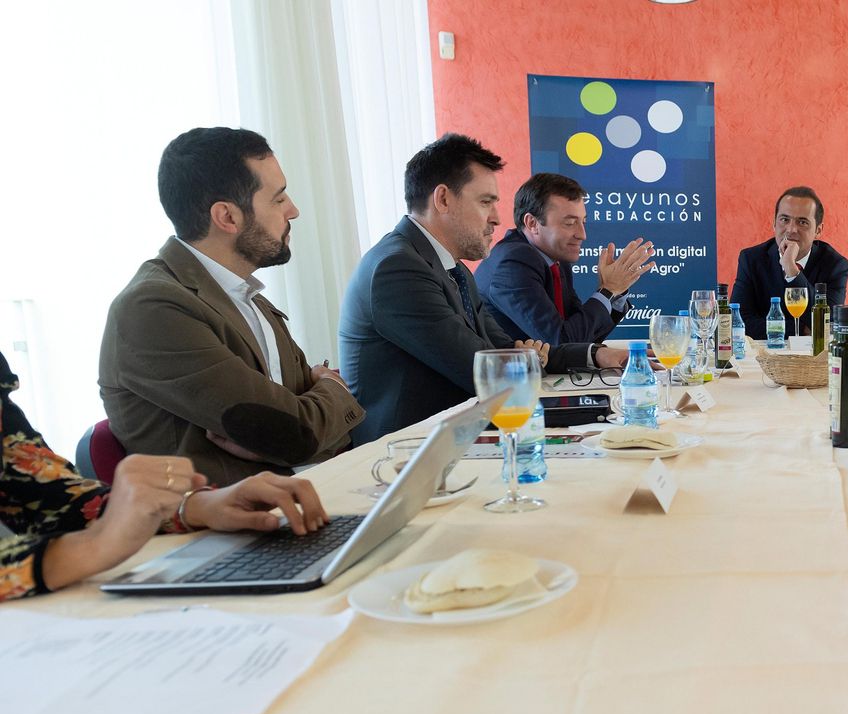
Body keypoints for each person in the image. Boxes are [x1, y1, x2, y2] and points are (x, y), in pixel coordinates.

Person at [98, 127, 365, 486]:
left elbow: (316, 434)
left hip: (306, 495)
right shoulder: (153, 308)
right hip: (236, 516)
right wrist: (335, 388)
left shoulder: (248, 297)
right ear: (227, 217)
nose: (293, 210)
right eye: (278, 199)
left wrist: (304, 425)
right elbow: (296, 435)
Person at [340, 134, 622, 446]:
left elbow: (505, 349)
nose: (497, 218)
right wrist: (526, 360)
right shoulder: (397, 269)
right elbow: (482, 371)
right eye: (486, 202)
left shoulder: (453, 267)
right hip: (407, 453)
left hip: (456, 436)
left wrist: (596, 354)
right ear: (443, 199)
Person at [3, 352, 327, 602]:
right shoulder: (153, 304)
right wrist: (90, 548)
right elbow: (293, 431)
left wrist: (195, 506)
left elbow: (45, 496)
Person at [477, 173, 655, 345]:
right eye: (569, 223)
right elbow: (562, 342)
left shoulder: (557, 260)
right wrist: (608, 290)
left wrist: (614, 292)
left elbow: (583, 337)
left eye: (583, 222)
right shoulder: (513, 263)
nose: (582, 235)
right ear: (532, 223)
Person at [731, 186, 848, 340]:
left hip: (813, 354)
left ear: (818, 230)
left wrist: (791, 270)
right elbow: (738, 322)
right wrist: (799, 329)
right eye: (784, 220)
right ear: (774, 224)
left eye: (802, 222)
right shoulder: (751, 259)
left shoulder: (835, 265)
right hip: (764, 352)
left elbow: (828, 322)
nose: (791, 229)